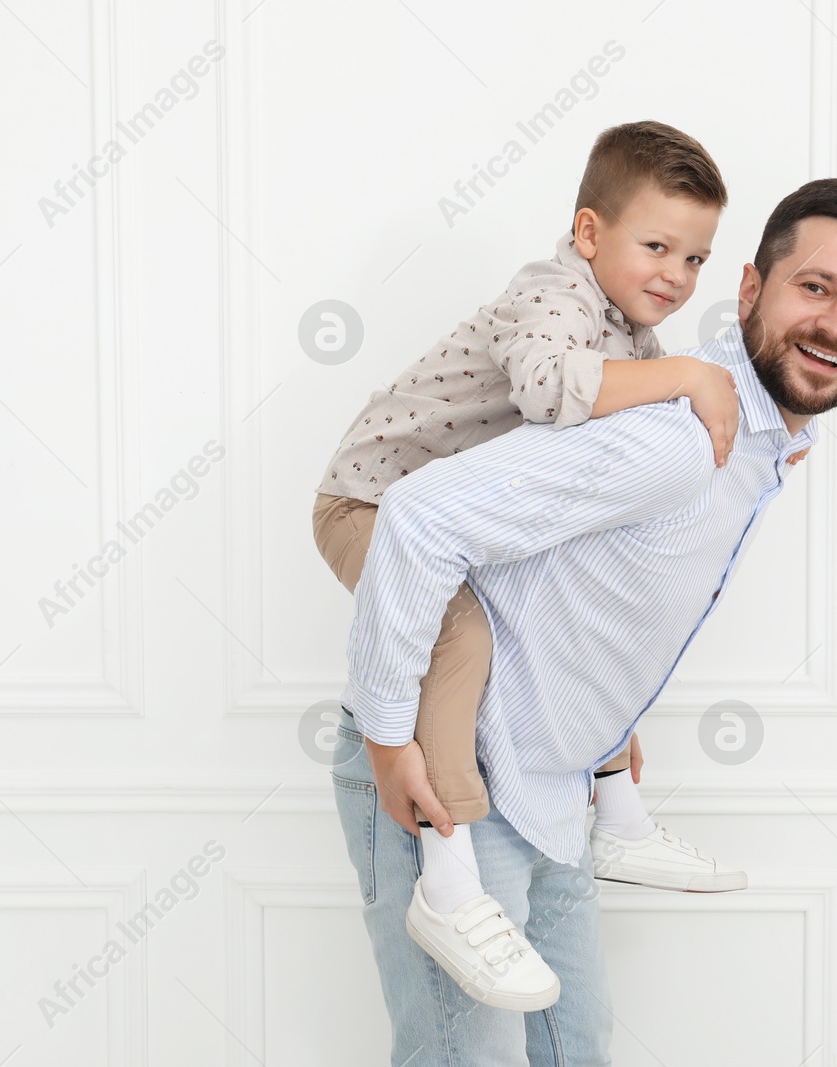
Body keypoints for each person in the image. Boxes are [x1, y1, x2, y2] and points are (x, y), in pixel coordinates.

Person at [333, 176, 837, 1064]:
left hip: (555, 788)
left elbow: (595, 584)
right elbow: (416, 517)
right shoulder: (680, 432)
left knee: (578, 1050)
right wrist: (385, 737)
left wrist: (612, 721)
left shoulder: (757, 440)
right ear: (753, 289)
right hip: (455, 786)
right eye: (816, 288)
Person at [311, 121, 753, 1011]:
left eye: (697, 259)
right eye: (657, 245)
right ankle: (447, 873)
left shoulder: (634, 335)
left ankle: (618, 817)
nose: (675, 274)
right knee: (462, 634)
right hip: (370, 501)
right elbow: (552, 391)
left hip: (450, 527)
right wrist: (692, 379)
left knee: (577, 610)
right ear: (590, 233)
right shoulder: (554, 293)